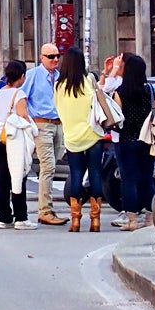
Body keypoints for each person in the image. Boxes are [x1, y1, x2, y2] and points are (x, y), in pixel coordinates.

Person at [55, 47, 105, 232]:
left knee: (76, 174)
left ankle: (75, 220)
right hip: (93, 134)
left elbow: (58, 109)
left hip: (72, 136)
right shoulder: (89, 80)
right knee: (95, 174)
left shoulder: (59, 86)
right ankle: (95, 220)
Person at [113, 53, 155, 231]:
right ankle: (150, 218)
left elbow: (117, 116)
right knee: (147, 178)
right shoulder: (150, 91)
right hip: (147, 140)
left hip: (126, 140)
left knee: (128, 179)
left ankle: (132, 220)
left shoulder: (120, 93)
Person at [25, 42, 67, 225]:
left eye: (57, 56)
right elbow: (21, 97)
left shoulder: (59, 77)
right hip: (41, 123)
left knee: (54, 163)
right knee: (48, 166)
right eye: (51, 56)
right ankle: (45, 210)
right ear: (42, 58)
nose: (55, 59)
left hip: (58, 123)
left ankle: (47, 209)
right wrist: (29, 120)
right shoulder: (33, 75)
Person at [0, 59, 35, 229]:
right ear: (22, 76)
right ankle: (21, 217)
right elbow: (23, 116)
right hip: (15, 141)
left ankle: (4, 217)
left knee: (2, 180)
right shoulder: (19, 94)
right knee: (19, 177)